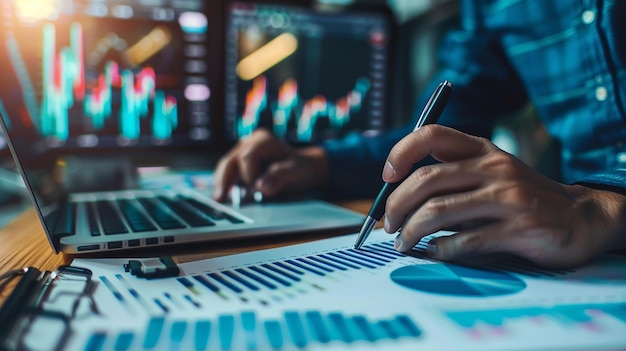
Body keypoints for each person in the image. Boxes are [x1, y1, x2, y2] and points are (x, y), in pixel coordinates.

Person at [212, 0, 626, 269]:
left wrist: (603, 206)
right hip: (586, 263)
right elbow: (436, 136)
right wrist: (320, 163)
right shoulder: (493, 8)